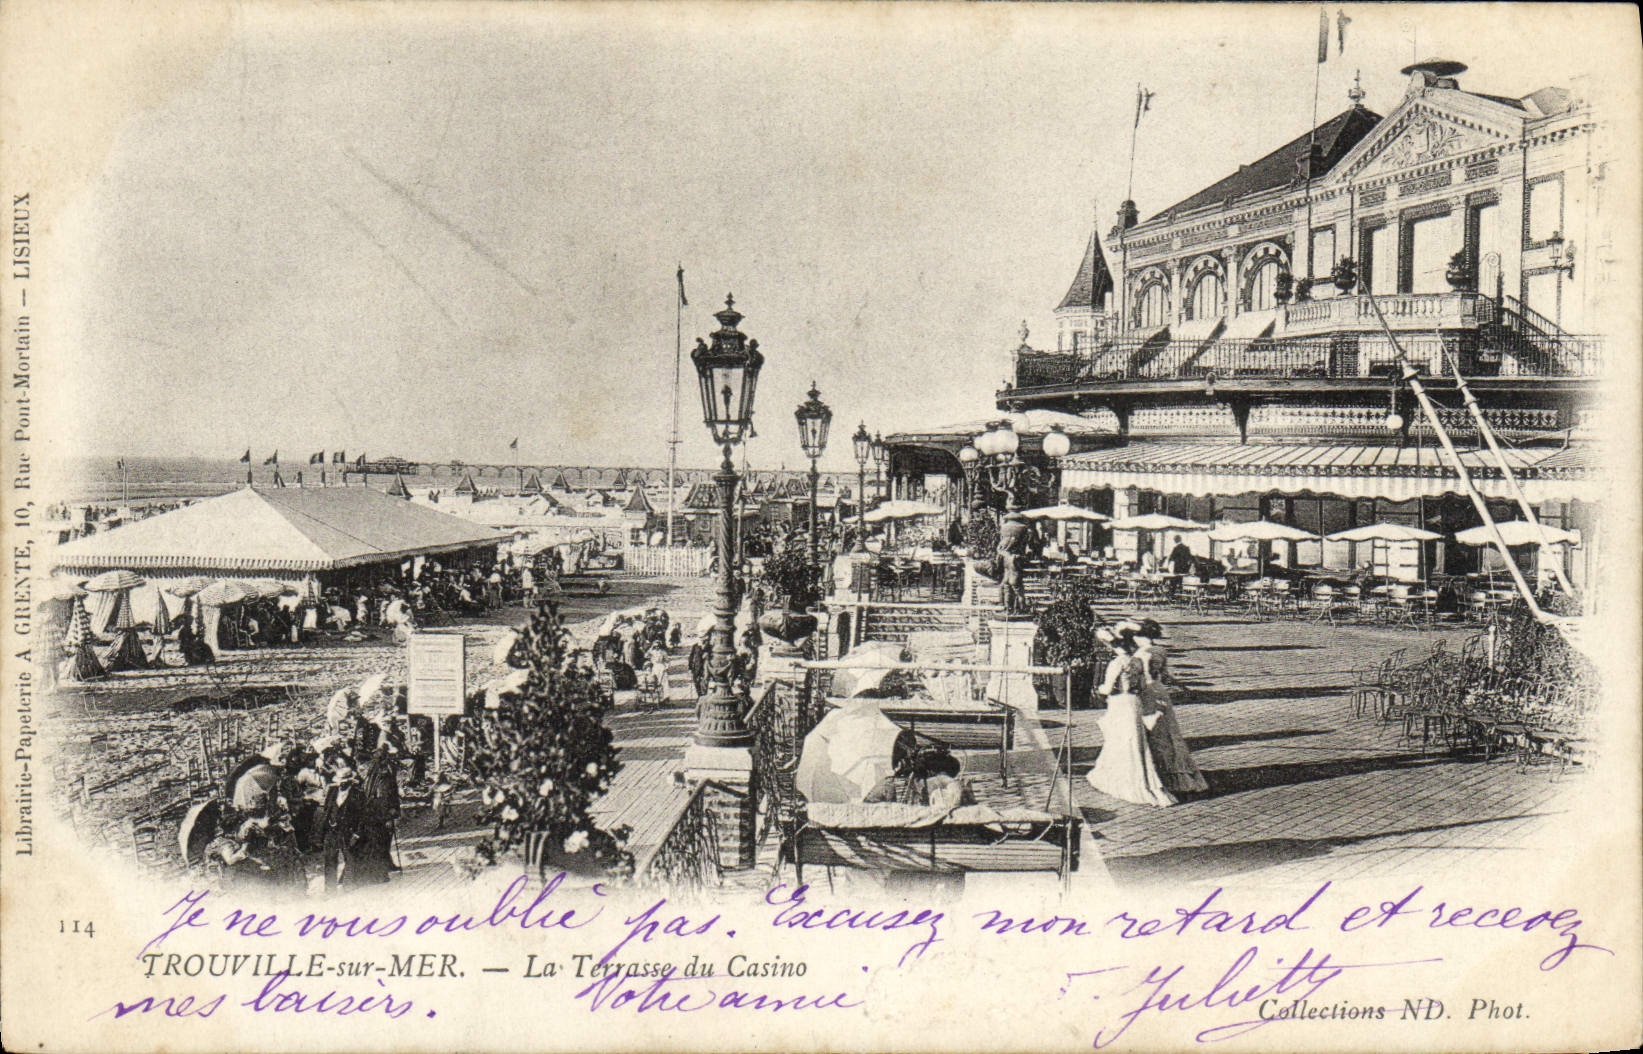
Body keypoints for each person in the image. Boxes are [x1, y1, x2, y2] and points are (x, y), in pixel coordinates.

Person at [1085, 627, 1176, 807]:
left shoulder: (1117, 663)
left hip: (1120, 703)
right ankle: (1144, 779)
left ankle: (1123, 780)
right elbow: (1142, 686)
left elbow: (1108, 688)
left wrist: (1099, 689)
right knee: (1136, 742)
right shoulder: (1137, 661)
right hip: (1135, 703)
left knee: (1121, 740)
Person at [1130, 619, 1208, 796]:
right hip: (1160, 690)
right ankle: (1177, 772)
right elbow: (1164, 675)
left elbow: (1141, 678)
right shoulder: (1160, 650)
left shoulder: (1142, 654)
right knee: (1169, 733)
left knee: (1153, 734)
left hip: (1148, 693)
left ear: (1140, 636)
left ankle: (1158, 775)